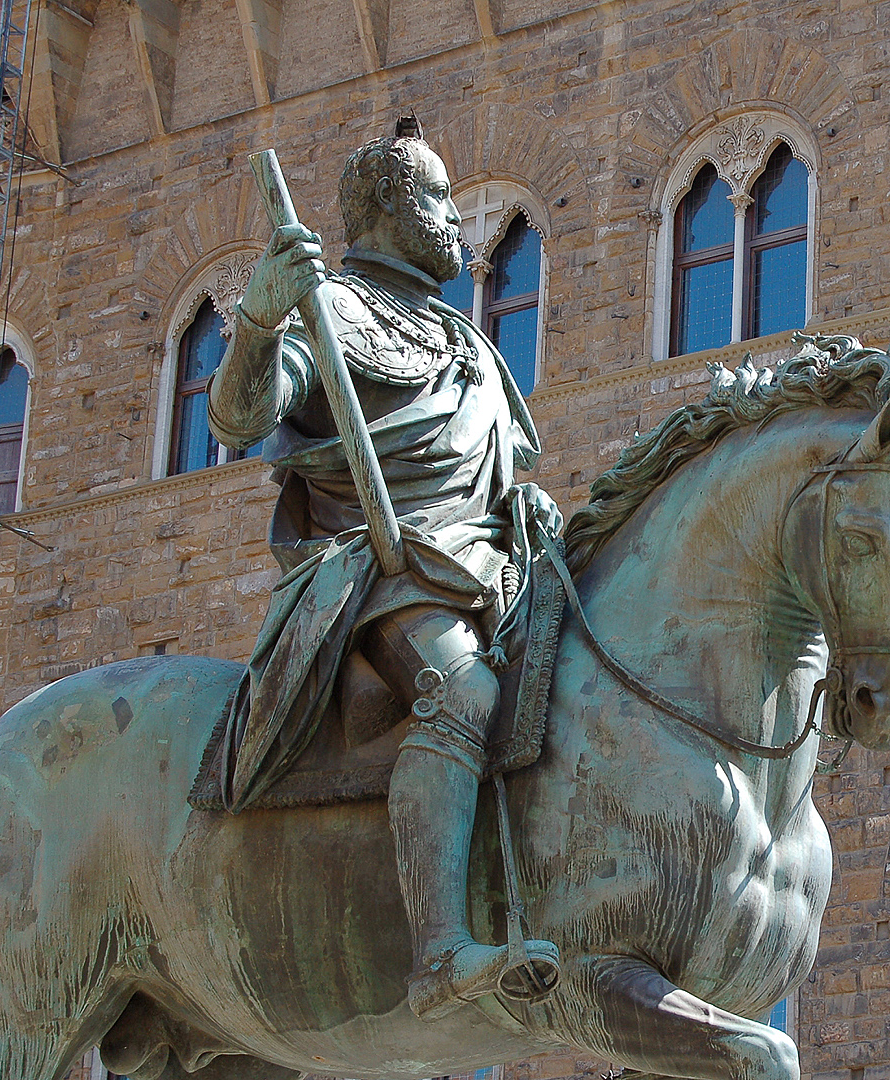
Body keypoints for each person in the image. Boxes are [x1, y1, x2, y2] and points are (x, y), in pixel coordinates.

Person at [207, 128, 560, 1020]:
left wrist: (528, 505)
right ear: (389, 208)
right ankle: (440, 951)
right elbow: (240, 415)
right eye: (438, 199)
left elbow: (493, 471)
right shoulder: (333, 310)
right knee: (464, 693)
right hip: (379, 572)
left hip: (483, 562)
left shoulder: (468, 343)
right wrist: (257, 320)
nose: (454, 219)